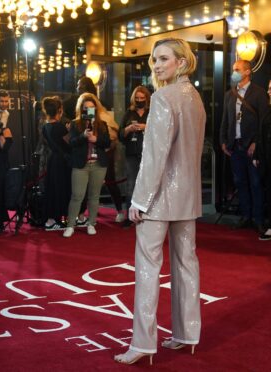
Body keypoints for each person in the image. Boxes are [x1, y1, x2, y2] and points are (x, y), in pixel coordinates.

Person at [114, 38, 206, 365]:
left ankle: (142, 343)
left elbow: (155, 156)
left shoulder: (163, 98)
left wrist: (139, 199)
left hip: (159, 198)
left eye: (164, 58)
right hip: (188, 197)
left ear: (182, 62)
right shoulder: (194, 97)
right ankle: (187, 334)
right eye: (154, 59)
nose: (156, 65)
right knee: (186, 264)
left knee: (148, 268)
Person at [220, 59, 269, 234]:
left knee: (255, 182)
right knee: (240, 182)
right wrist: (223, 140)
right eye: (234, 69)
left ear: (247, 72)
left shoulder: (259, 93)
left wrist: (257, 143)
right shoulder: (230, 94)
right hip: (235, 145)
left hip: (252, 146)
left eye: (237, 69)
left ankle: (258, 219)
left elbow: (264, 122)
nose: (234, 72)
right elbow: (226, 119)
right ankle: (246, 216)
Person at [63, 93, 110, 238]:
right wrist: (83, 136)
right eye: (86, 107)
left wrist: (96, 139)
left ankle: (91, 223)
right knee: (77, 195)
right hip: (81, 165)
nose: (89, 109)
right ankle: (70, 225)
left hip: (98, 164)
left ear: (96, 108)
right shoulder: (75, 123)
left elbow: (107, 143)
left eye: (91, 107)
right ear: (81, 109)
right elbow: (71, 143)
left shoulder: (102, 124)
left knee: (94, 196)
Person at [119, 86, 151, 228]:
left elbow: (160, 129)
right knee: (131, 185)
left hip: (149, 154)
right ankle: (130, 217)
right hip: (132, 153)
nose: (139, 101)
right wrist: (129, 129)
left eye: (142, 99)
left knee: (148, 184)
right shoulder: (129, 113)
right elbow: (120, 134)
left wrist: (146, 126)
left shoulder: (152, 112)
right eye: (137, 99)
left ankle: (147, 215)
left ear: (146, 99)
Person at [41, 96, 71, 231]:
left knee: (52, 188)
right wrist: (70, 131)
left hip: (53, 159)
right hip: (61, 161)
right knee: (59, 189)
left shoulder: (45, 126)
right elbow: (69, 145)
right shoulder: (60, 127)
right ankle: (55, 219)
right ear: (59, 110)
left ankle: (52, 219)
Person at [255, 79, 271, 240]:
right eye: (268, 87)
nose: (268, 91)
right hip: (267, 158)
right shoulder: (267, 110)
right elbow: (261, 134)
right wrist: (257, 155)